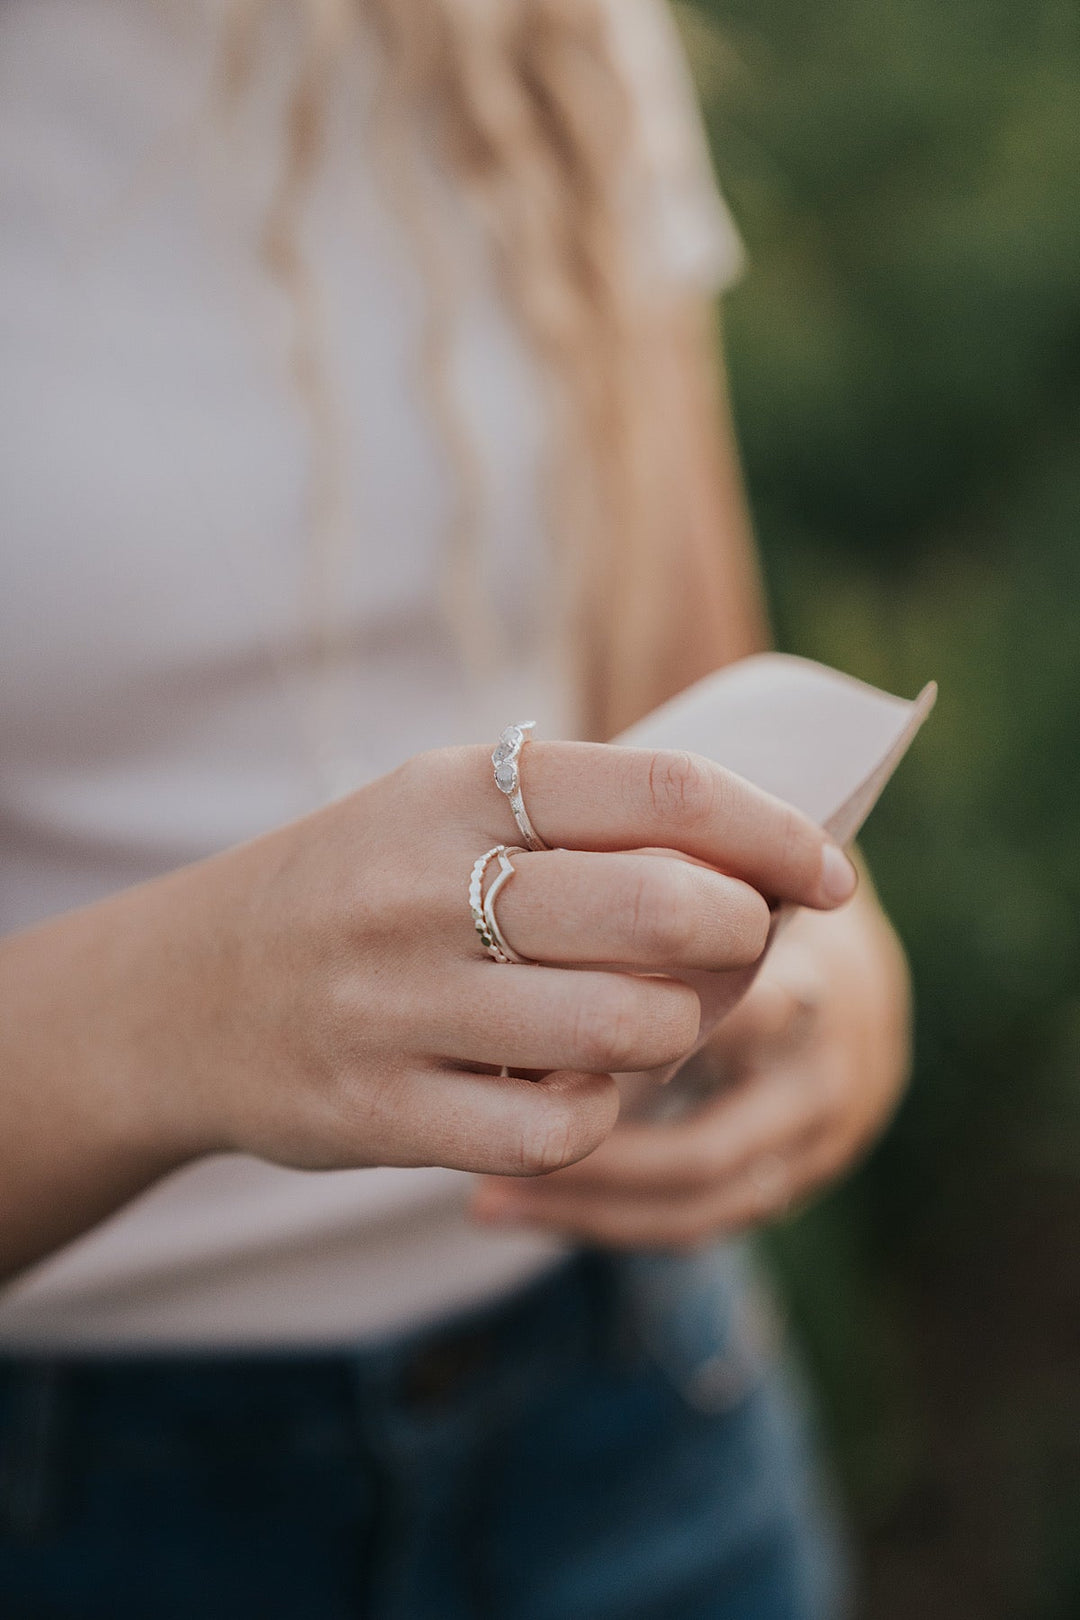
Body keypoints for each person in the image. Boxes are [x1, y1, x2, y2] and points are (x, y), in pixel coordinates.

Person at [0, 0, 910, 1614]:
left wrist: (832, 986)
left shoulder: (540, 33)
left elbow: (696, 701)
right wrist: (203, 999)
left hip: (633, 1412)